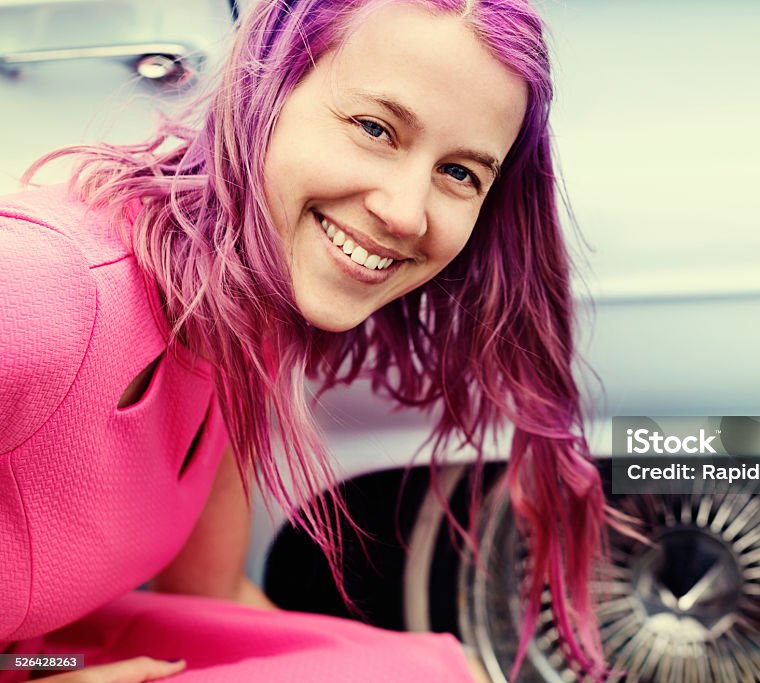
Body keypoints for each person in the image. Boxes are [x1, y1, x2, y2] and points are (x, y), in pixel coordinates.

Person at [0, 0, 609, 681]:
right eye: (376, 128)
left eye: (460, 173)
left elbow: (211, 593)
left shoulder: (240, 313)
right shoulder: (44, 293)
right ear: (265, 94)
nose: (407, 213)